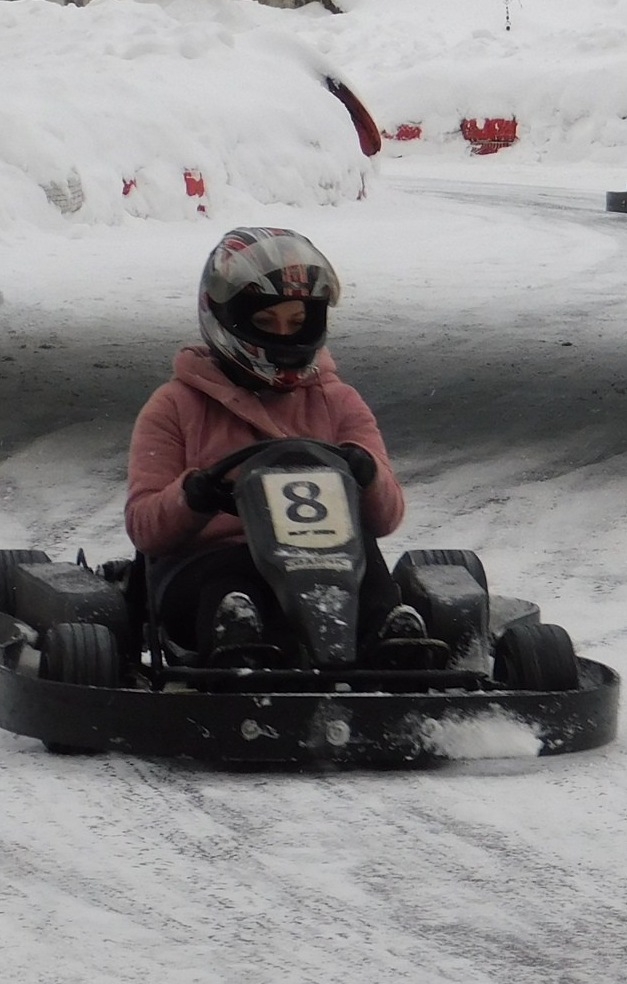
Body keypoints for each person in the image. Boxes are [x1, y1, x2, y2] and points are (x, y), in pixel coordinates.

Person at [126, 227, 416, 660]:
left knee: (365, 567)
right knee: (231, 581)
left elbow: (388, 516)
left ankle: (394, 648)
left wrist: (366, 473)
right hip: (211, 565)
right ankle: (241, 656)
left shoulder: (338, 402)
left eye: (296, 323)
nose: (283, 336)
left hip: (325, 562)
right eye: (265, 323)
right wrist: (195, 495)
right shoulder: (175, 406)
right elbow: (145, 528)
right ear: (226, 319)